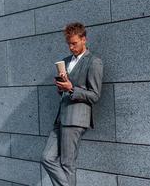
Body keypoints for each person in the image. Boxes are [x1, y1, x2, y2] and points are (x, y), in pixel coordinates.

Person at [41, 22, 104, 186]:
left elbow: (95, 95)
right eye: (68, 44)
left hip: (76, 119)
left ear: (84, 39)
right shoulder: (66, 61)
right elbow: (64, 92)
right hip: (61, 118)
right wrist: (62, 87)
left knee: (67, 164)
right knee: (47, 158)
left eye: (74, 43)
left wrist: (71, 88)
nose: (71, 47)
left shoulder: (94, 62)